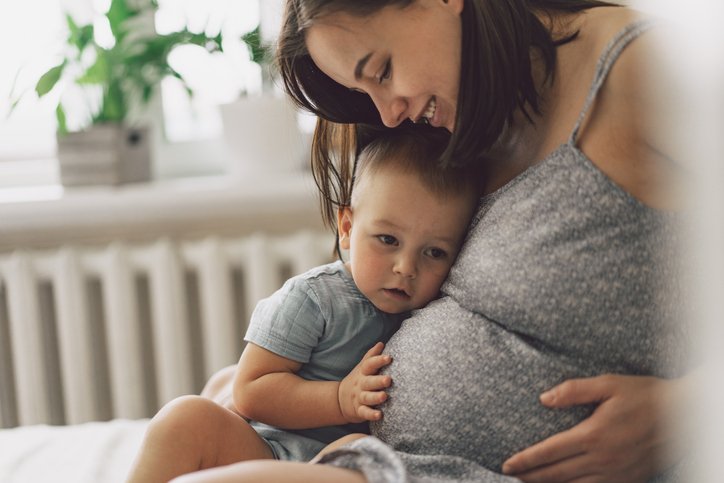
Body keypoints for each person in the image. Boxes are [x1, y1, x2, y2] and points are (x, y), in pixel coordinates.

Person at [166, 0, 691, 482]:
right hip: (373, 451)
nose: (389, 114)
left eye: (383, 71)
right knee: (189, 422)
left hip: (466, 472)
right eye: (363, 94)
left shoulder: (639, 70)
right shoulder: (466, 113)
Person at [126, 126, 482, 482]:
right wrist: (339, 399)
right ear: (346, 227)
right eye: (388, 239)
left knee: (360, 446)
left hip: (338, 465)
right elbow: (251, 389)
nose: (406, 267)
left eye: (434, 252)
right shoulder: (315, 299)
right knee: (186, 417)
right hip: (268, 450)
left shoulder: (435, 312)